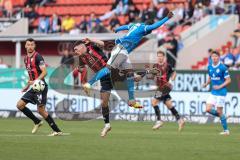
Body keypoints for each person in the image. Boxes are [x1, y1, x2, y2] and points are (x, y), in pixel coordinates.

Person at [83, 12, 174, 109]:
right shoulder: (144, 28)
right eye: (149, 31)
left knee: (130, 75)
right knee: (108, 69)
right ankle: (89, 83)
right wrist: (166, 18)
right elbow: (155, 26)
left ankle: (132, 100)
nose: (148, 32)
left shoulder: (135, 25)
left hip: (124, 52)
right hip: (121, 49)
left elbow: (127, 26)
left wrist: (118, 29)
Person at [16, 38, 62, 136]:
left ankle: (57, 130)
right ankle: (37, 121)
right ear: (25, 46)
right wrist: (27, 85)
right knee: (20, 105)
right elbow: (31, 75)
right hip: (34, 86)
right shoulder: (25, 59)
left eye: (32, 45)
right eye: (28, 44)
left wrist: (35, 81)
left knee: (41, 110)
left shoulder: (38, 57)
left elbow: (45, 72)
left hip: (41, 86)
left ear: (35, 46)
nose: (30, 46)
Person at [73, 38, 113, 137]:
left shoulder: (92, 46)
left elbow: (103, 43)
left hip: (111, 71)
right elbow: (82, 69)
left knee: (130, 80)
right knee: (104, 103)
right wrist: (79, 71)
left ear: (82, 47)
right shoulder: (81, 58)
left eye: (76, 49)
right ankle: (107, 125)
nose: (75, 52)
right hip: (103, 78)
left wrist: (90, 39)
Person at [202, 51, 231, 135]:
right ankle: (223, 117)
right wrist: (206, 84)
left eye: (216, 56)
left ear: (219, 57)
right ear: (211, 58)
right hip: (213, 92)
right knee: (207, 109)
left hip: (221, 92)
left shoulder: (223, 67)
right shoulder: (210, 66)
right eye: (212, 56)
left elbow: (229, 80)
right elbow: (210, 76)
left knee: (219, 111)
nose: (214, 58)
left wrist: (219, 86)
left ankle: (226, 130)